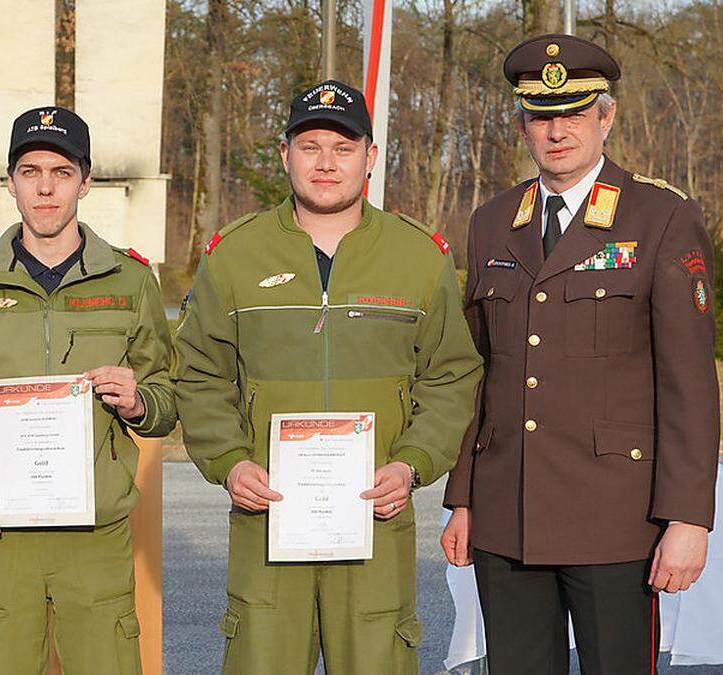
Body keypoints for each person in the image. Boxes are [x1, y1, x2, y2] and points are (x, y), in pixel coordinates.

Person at [174, 79, 482, 674]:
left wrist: (414, 461)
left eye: (343, 148)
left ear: (370, 158)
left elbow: (450, 374)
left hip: (376, 518)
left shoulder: (419, 256)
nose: (325, 163)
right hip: (266, 519)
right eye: (310, 145)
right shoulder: (234, 255)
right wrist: (230, 461)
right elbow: (200, 374)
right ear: (285, 154)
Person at [442, 33, 721, 675]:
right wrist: (464, 496)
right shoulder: (492, 221)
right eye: (542, 116)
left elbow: (689, 385)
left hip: (616, 519)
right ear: (521, 124)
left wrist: (687, 518)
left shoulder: (659, 218)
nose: (558, 131)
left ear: (606, 117)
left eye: (574, 113)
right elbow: (479, 374)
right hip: (507, 516)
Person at [0, 106, 176, 674]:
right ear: (10, 183)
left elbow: (166, 395)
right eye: (30, 171)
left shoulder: (130, 281)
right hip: (3, 532)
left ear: (85, 182)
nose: (45, 187)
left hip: (96, 536)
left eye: (61, 172)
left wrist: (139, 401)